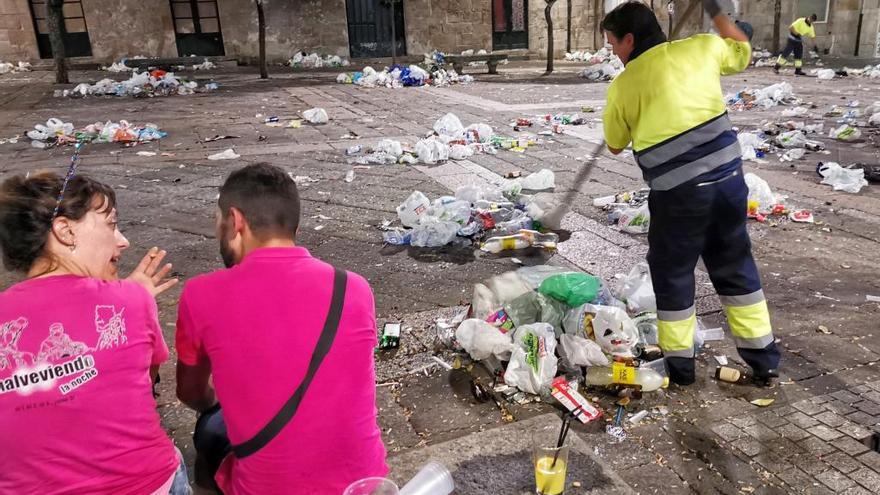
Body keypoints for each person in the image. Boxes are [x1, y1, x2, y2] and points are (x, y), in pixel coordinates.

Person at [176, 163, 387, 494]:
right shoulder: (355, 288)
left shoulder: (201, 295)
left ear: (236, 221)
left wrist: (225, 400)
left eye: (219, 223)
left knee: (211, 427)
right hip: (364, 482)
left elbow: (190, 393)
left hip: (269, 487)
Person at [600, 1, 780, 386]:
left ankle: (681, 369)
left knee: (674, 275)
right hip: (730, 184)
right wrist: (717, 11)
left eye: (613, 43)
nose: (613, 51)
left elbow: (615, 144)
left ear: (629, 39)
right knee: (735, 267)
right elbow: (741, 48)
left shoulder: (624, 85)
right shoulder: (702, 47)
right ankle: (764, 359)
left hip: (679, 197)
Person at [0, 171, 189, 494]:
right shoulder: (131, 301)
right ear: (65, 230)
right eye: (111, 224)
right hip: (147, 483)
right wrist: (133, 299)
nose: (123, 241)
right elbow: (144, 382)